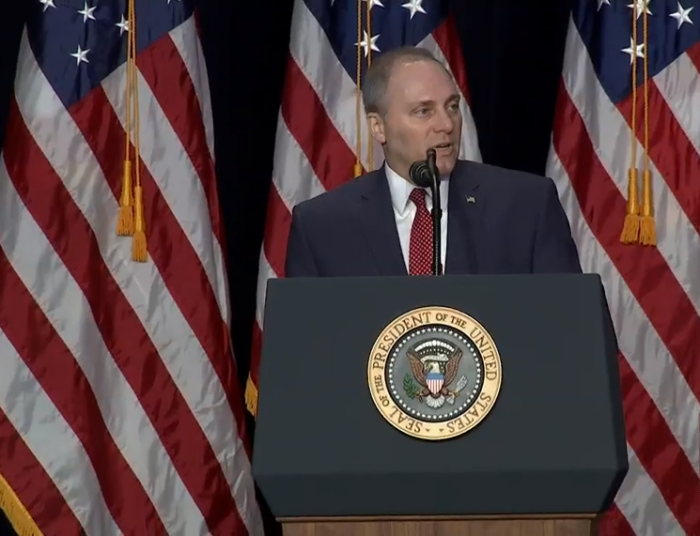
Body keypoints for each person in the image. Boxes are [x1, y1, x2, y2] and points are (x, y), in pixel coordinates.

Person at [284, 46, 581, 277]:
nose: (446, 124)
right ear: (378, 127)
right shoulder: (322, 227)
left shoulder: (526, 206)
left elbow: (571, 327)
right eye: (423, 111)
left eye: (452, 106)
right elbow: (304, 348)